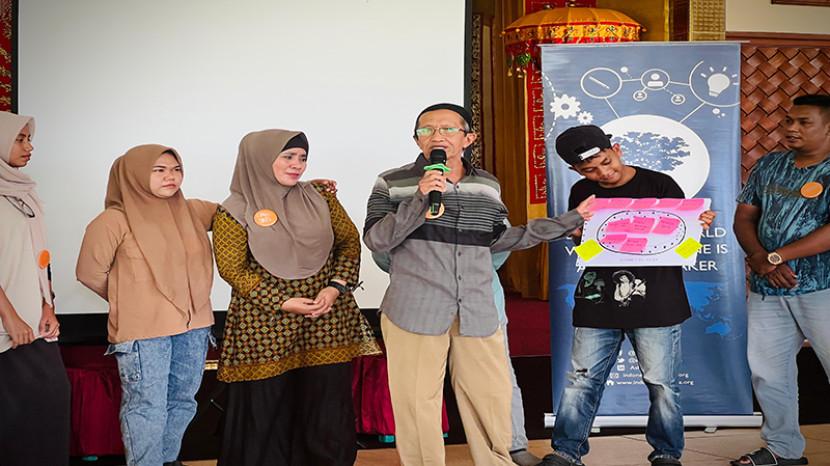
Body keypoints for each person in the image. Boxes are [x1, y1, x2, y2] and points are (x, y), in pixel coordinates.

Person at [363, 103, 593, 465]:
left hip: (476, 307)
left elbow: (500, 239)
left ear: (468, 138)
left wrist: (567, 222)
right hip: (414, 308)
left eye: (447, 129)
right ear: (417, 140)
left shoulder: (486, 184)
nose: (437, 136)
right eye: (427, 130)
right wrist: (420, 198)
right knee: (417, 401)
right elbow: (377, 239)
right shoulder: (391, 182)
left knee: (490, 398)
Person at [539, 125, 715, 466]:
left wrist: (697, 228)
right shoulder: (582, 192)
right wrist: (577, 235)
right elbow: (587, 249)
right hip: (597, 301)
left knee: (662, 384)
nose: (603, 173)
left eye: (606, 162)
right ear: (575, 170)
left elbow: (684, 246)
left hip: (658, 300)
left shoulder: (660, 184)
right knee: (581, 381)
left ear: (616, 149)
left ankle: (666, 452)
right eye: (590, 170)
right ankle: (566, 451)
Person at [214, 129, 380, 466]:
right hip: (264, 326)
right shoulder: (234, 210)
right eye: (288, 157)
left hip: (325, 320)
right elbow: (233, 269)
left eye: (302, 158)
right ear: (259, 160)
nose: (297, 165)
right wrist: (281, 301)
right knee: (266, 407)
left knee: (325, 404)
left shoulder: (320, 197)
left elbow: (349, 243)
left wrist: (335, 287)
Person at [76, 145, 217, 466]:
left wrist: (307, 189)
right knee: (147, 406)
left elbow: (243, 210)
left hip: (194, 326)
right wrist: (131, 297)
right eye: (159, 170)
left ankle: (167, 460)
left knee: (183, 401)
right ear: (136, 174)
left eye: (176, 169)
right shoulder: (114, 220)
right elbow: (89, 273)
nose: (171, 177)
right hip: (144, 331)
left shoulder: (192, 211)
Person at [372, 247, 542, 466]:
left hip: (478, 304)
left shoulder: (487, 219)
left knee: (493, 387)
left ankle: (512, 448)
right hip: (421, 308)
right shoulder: (405, 220)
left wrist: (469, 266)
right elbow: (382, 249)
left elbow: (502, 245)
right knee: (419, 394)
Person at [731, 94, 830, 466]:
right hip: (768, 288)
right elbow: (744, 217)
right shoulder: (770, 164)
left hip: (823, 287)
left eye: (804, 122)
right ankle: (783, 450)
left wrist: (776, 257)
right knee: (769, 372)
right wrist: (760, 259)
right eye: (789, 120)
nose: (791, 128)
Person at [0, 111, 70, 466]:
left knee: (49, 405)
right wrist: (9, 317)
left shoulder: (25, 192)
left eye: (29, 139)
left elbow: (40, 256)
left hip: (33, 321)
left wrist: (48, 305)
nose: (29, 147)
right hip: (7, 326)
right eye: (19, 139)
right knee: (13, 421)